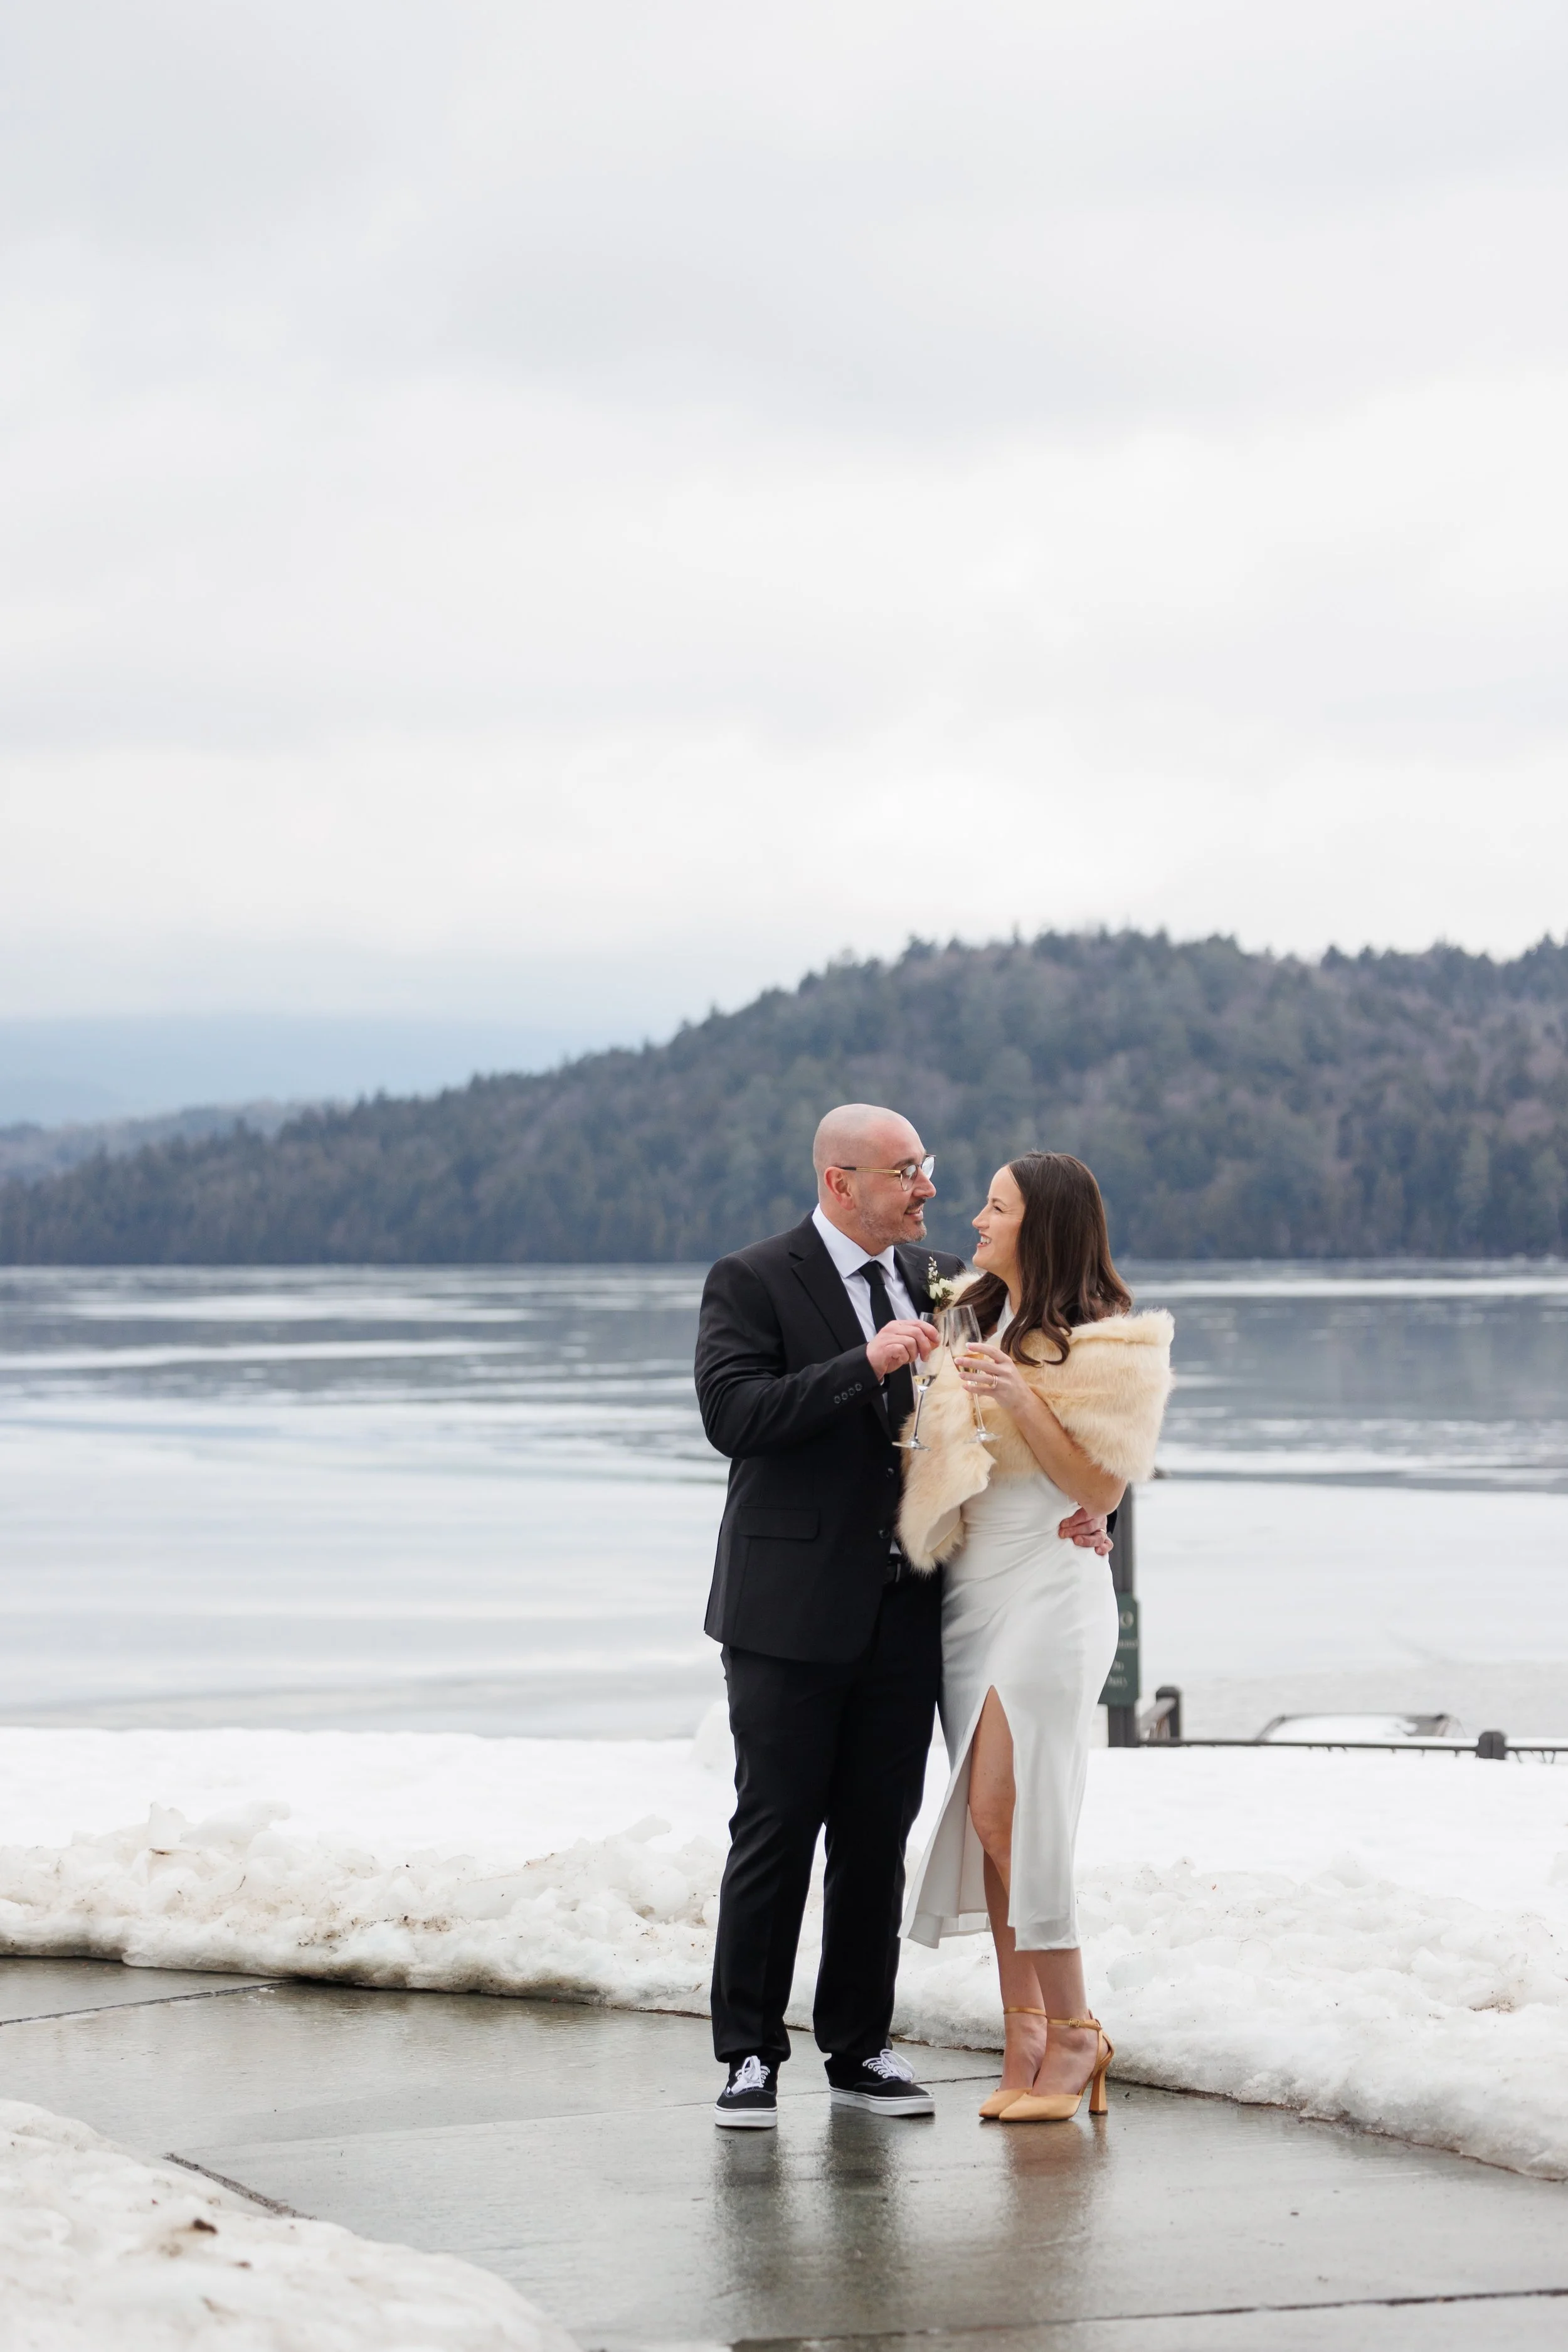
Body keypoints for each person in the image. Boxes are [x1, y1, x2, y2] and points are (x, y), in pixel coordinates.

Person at [694, 1106, 1111, 2129]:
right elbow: (733, 1416)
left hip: (915, 1612)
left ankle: (860, 2047)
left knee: (877, 1838)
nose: (928, 1188)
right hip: (787, 1612)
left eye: (926, 1171)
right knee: (775, 1827)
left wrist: (1094, 1510)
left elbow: (1067, 1392)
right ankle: (749, 2054)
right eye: (907, 1172)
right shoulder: (752, 1278)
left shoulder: (947, 1283)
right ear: (843, 1183)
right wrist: (866, 1365)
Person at [898, 1152, 1172, 2123]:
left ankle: (1079, 2029)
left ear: (1042, 1224)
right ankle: (1026, 2035)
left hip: (1055, 1586)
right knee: (987, 1816)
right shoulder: (973, 1312)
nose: (975, 1216)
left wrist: (1018, 1396)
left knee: (1020, 1809)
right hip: (974, 1592)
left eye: (996, 1206)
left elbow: (1098, 1490)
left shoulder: (1112, 1342)